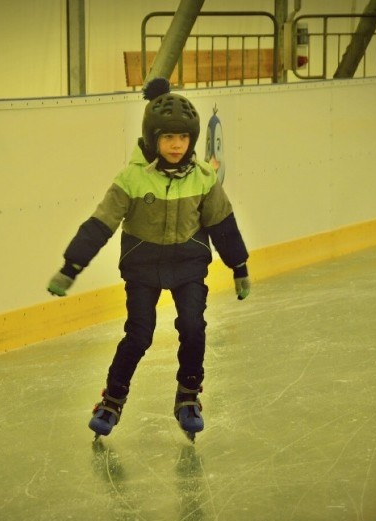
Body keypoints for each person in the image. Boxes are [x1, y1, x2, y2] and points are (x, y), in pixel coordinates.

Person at [47, 77, 251, 440]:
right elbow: (101, 223)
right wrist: (71, 265)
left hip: (188, 265)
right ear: (152, 137)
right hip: (143, 267)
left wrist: (239, 265)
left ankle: (188, 397)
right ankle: (111, 400)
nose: (177, 145)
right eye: (168, 138)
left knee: (193, 328)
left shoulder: (203, 178)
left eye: (184, 138)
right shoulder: (133, 179)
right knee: (139, 335)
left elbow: (223, 223)